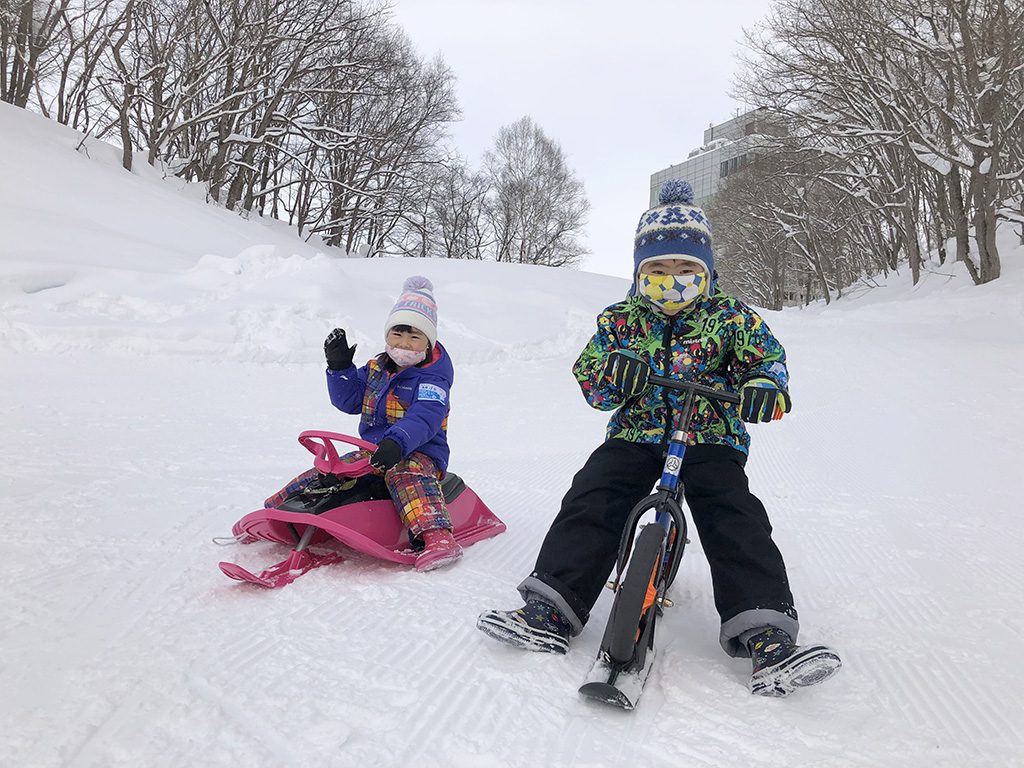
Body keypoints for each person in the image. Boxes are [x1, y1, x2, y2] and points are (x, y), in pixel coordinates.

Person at [477, 180, 841, 696]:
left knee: (731, 511)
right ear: (639, 273)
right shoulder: (621, 320)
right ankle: (552, 606)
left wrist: (764, 385)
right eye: (658, 271)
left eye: (686, 270)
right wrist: (613, 375)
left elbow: (768, 361)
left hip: (710, 434)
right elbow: (592, 379)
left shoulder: (731, 318)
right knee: (596, 494)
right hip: (638, 431)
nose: (672, 281)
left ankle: (765, 630)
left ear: (707, 271)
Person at [318, 275, 461, 572]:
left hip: (419, 453)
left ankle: (437, 536)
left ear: (428, 341)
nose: (404, 343)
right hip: (375, 450)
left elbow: (425, 417)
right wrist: (339, 367)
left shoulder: (433, 380)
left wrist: (397, 441)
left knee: (405, 472)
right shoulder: (376, 369)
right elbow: (348, 401)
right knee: (335, 469)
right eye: (398, 334)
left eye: (414, 337)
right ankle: (279, 513)